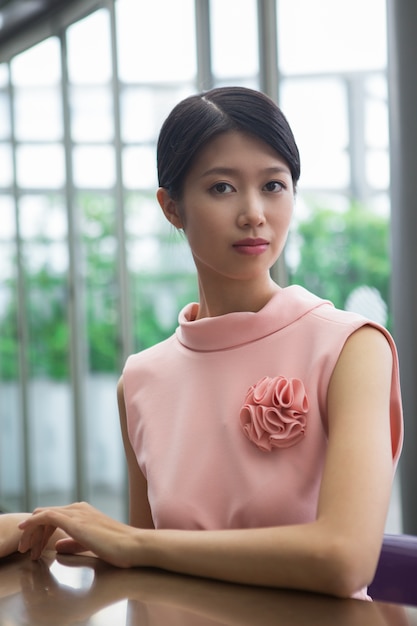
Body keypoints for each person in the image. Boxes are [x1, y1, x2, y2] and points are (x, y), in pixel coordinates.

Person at [0, 87, 403, 600]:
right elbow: (140, 569)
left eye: (274, 185)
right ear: (171, 208)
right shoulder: (140, 380)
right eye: (221, 188)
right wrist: (43, 527)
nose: (254, 212)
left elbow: (344, 559)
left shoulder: (351, 347)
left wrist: (138, 543)